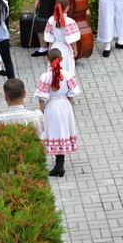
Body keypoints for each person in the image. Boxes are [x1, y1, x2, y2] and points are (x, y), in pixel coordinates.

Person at [34, 47, 81, 177]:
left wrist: (42, 110)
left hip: (52, 106)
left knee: (54, 131)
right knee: (63, 131)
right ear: (61, 59)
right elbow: (72, 94)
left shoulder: (45, 77)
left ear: (48, 60)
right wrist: (69, 106)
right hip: (65, 105)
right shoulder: (68, 75)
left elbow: (42, 97)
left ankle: (58, 166)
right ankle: (60, 164)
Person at [43, 0, 81, 76]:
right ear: (67, 7)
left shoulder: (51, 20)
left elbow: (50, 39)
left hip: (54, 49)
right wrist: (75, 50)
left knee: (53, 71)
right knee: (67, 71)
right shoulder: (70, 22)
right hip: (65, 50)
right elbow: (72, 39)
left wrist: (50, 51)